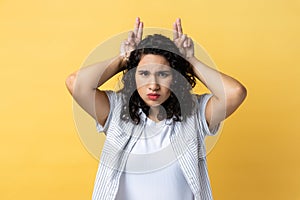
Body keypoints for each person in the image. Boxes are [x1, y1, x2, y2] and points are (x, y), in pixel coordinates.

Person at [65, 17, 247, 200]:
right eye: (144, 73)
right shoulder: (117, 110)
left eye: (163, 74)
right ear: (133, 76)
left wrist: (190, 61)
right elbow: (76, 84)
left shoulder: (194, 114)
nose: (153, 85)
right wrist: (124, 59)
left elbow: (234, 93)